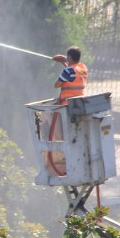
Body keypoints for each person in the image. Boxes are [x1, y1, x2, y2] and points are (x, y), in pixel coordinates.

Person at [43, 46, 87, 176]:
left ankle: (68, 161)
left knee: (65, 136)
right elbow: (73, 73)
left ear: (70, 58)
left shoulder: (68, 71)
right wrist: (64, 62)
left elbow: (57, 84)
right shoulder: (83, 68)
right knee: (76, 135)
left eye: (67, 58)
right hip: (79, 106)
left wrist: (65, 64)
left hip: (66, 108)